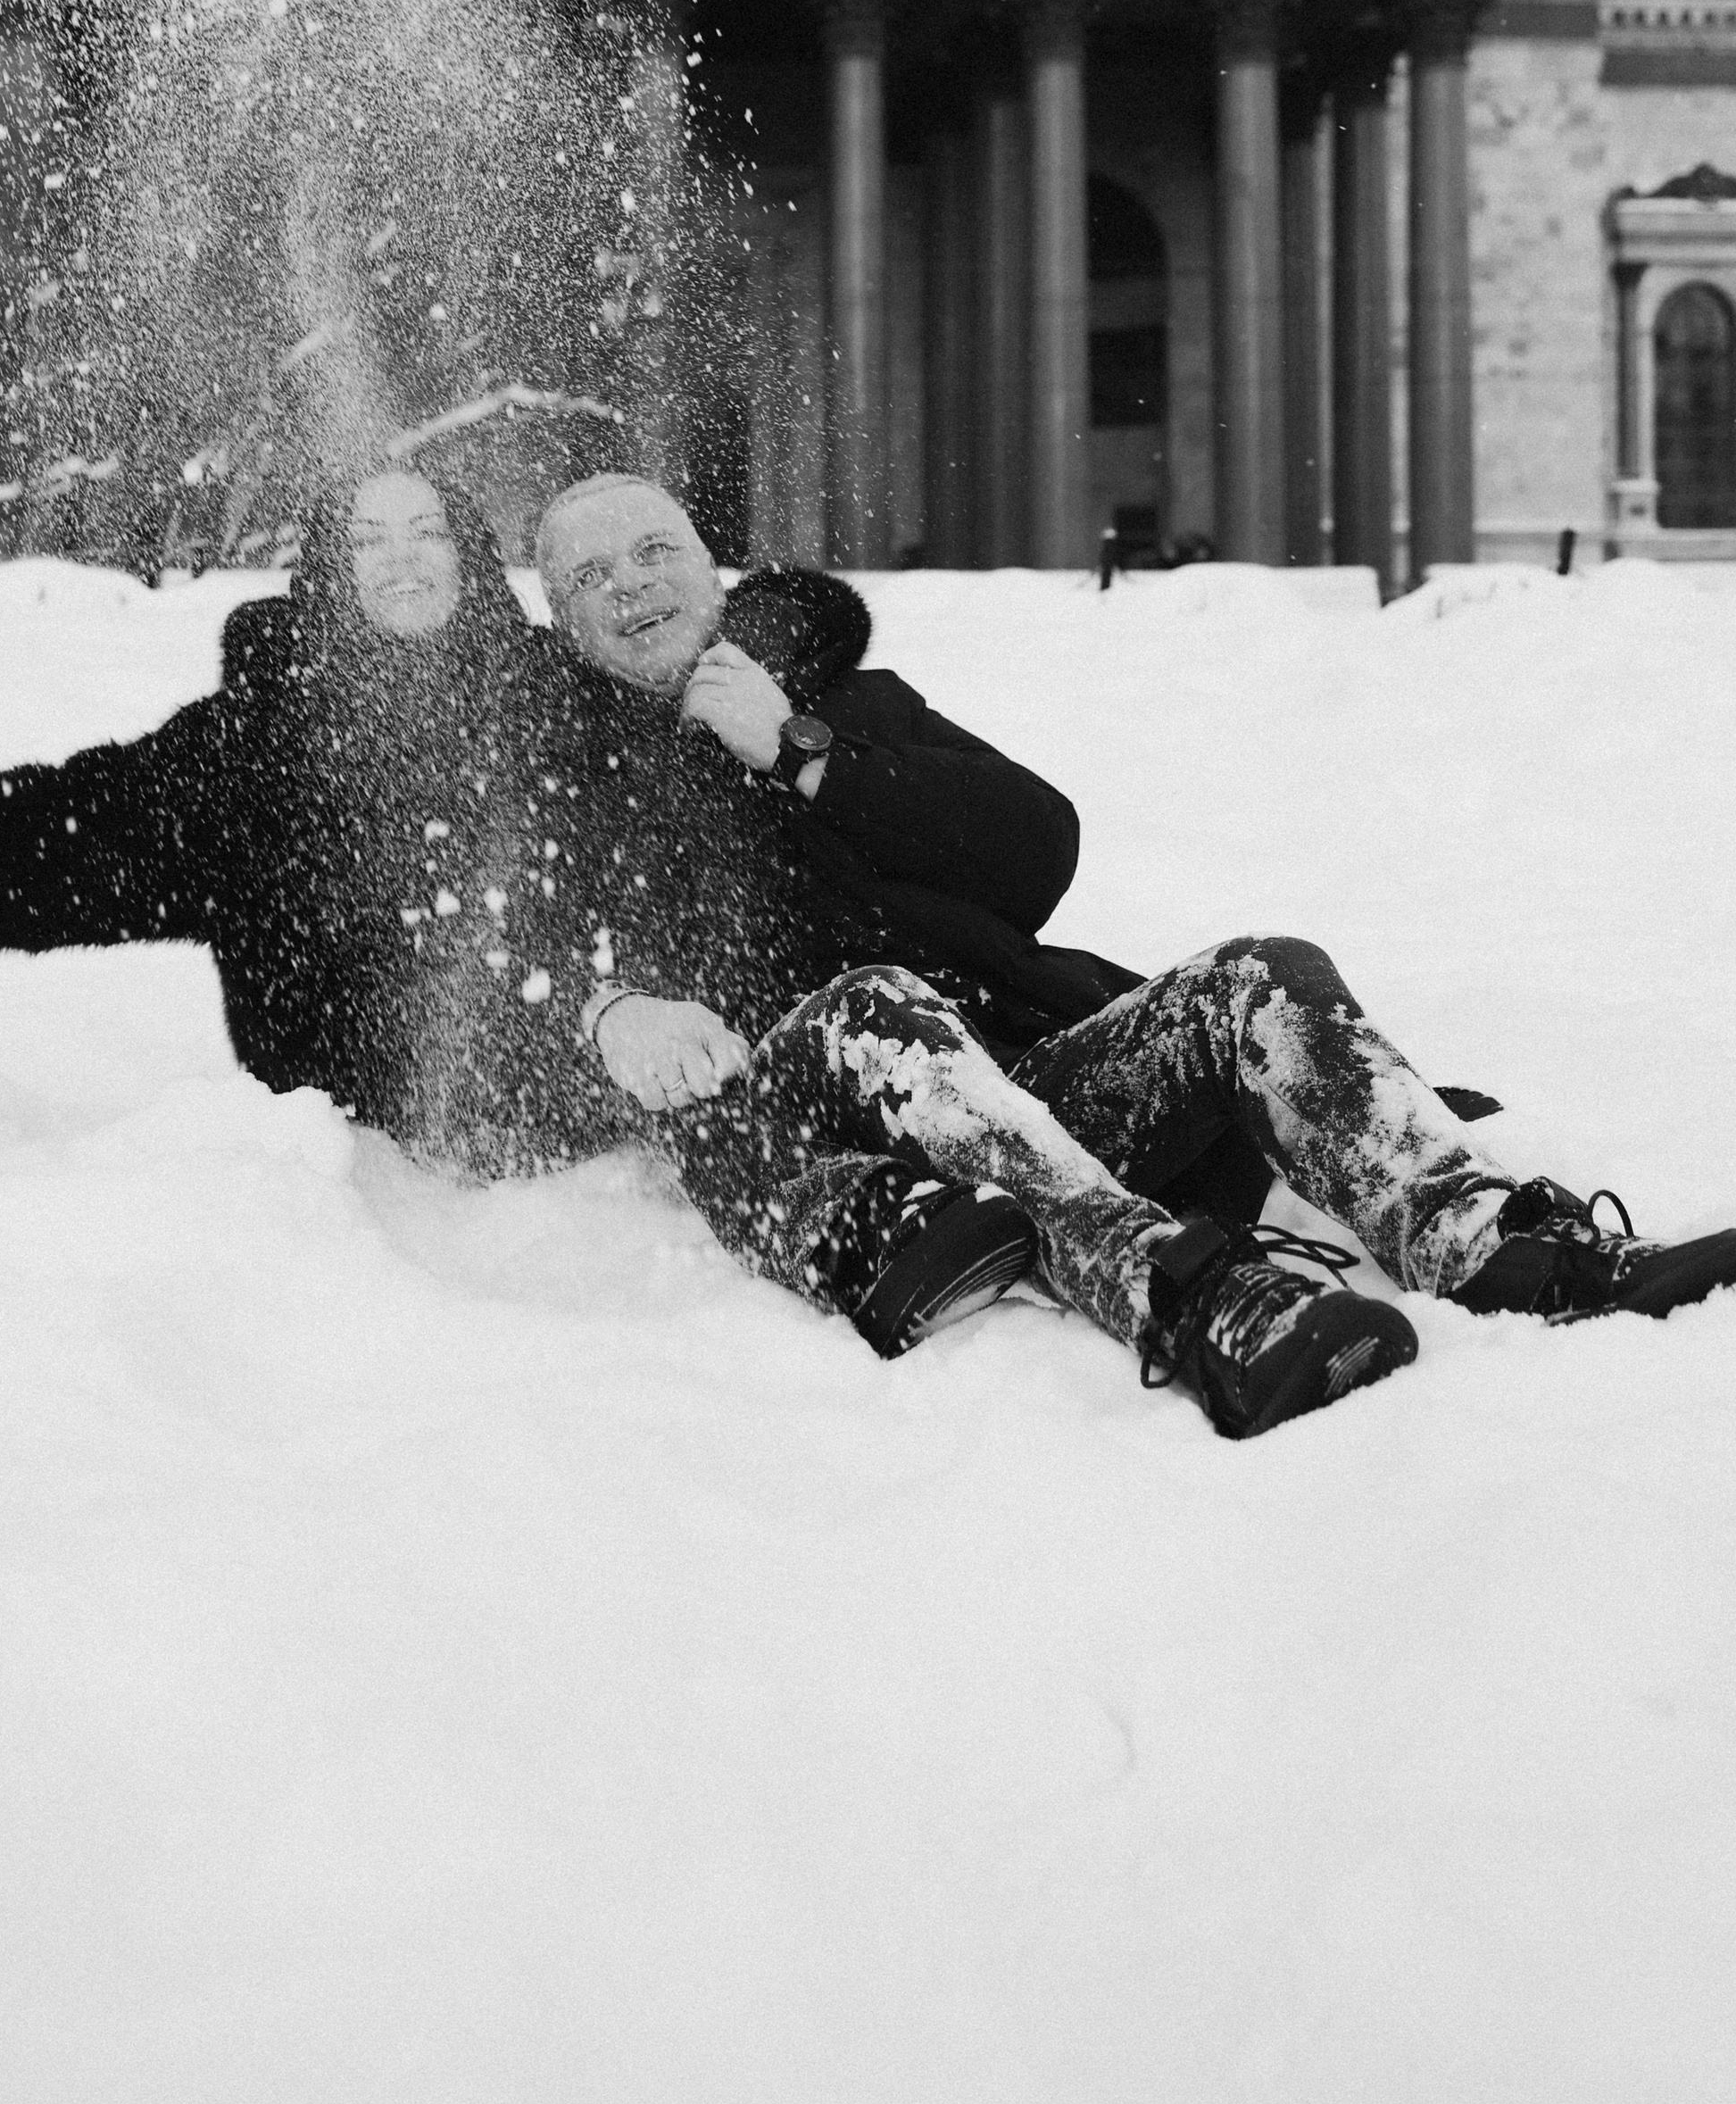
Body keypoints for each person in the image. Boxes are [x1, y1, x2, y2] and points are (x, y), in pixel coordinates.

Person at [530, 473, 1736, 1437]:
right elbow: (528, 970)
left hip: (1023, 1077)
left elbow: (1033, 849)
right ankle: (1202, 1303)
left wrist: (805, 753)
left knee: (1257, 971)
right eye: (591, 575)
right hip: (849, 1117)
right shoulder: (564, 785)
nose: (633, 585)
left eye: (655, 551)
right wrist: (609, 1009)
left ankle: (1493, 1247)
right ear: (567, 627)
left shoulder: (835, 703)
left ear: (710, 565)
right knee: (877, 1003)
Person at [0, 467, 607, 1166]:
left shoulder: (567, 705)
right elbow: (41, 840)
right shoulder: (254, 751)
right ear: (325, 571)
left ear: (473, 554)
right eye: (364, 538)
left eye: (428, 529)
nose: (401, 557)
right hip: (353, 1201)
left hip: (593, 1193)